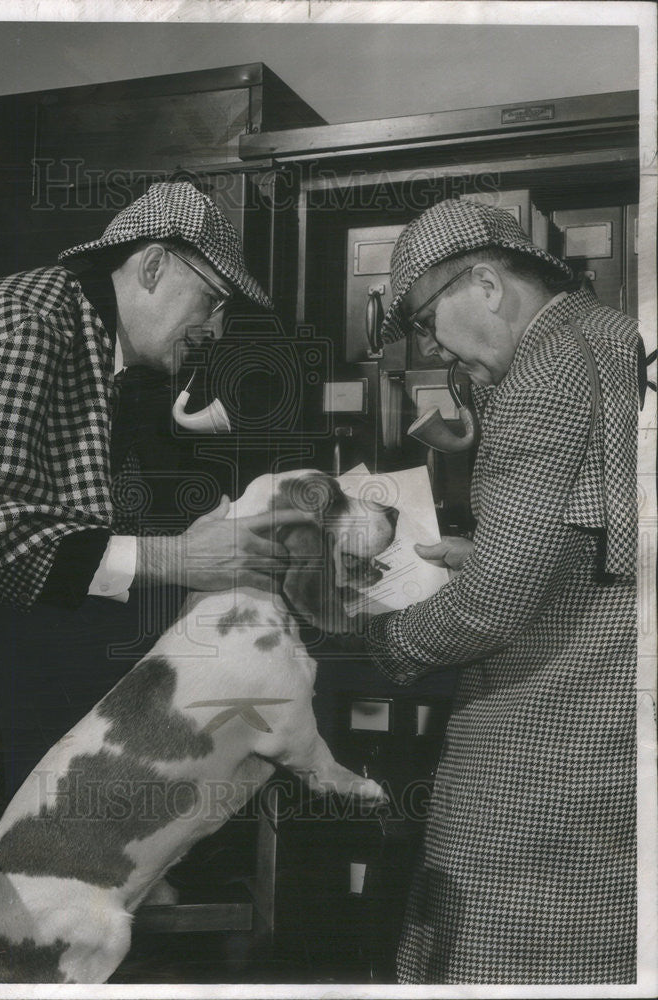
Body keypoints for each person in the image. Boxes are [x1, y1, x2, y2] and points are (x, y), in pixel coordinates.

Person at [0, 181, 309, 980]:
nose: (211, 332)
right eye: (209, 303)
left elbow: (58, 523)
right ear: (150, 268)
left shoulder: (76, 337)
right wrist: (179, 558)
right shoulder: (28, 324)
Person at [365, 198, 639, 984]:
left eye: (424, 320)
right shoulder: (617, 334)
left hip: (545, 735)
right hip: (618, 716)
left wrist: (388, 643)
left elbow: (492, 604)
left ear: (485, 283)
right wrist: (492, 548)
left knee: (493, 933)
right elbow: (591, 530)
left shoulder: (542, 374)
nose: (432, 347)